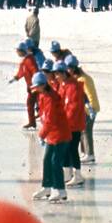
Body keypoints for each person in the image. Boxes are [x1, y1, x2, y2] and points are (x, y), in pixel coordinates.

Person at [30, 72, 70, 203]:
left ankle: (60, 190)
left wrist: (41, 134)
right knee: (47, 160)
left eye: (37, 86)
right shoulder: (43, 94)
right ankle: (46, 187)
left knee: (55, 162)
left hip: (60, 135)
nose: (35, 89)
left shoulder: (51, 98)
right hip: (51, 134)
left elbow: (50, 120)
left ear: (43, 85)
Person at [54, 62, 87, 187]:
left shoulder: (73, 86)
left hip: (73, 125)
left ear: (63, 73)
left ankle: (77, 175)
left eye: (57, 74)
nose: (56, 77)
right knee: (67, 149)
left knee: (72, 149)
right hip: (67, 124)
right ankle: (67, 173)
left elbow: (73, 108)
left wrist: (65, 123)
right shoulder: (64, 84)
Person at [69, 56, 99, 164]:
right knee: (83, 131)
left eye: (69, 68)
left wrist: (91, 108)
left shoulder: (84, 79)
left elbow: (90, 95)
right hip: (84, 109)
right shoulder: (79, 78)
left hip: (89, 109)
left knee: (86, 131)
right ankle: (86, 153)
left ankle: (90, 154)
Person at [10, 41, 39, 130]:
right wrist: (16, 78)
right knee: (33, 104)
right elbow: (22, 71)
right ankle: (33, 122)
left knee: (31, 104)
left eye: (17, 51)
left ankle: (32, 122)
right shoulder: (25, 60)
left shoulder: (29, 60)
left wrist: (35, 85)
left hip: (34, 86)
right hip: (31, 86)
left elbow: (35, 72)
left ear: (22, 51)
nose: (17, 53)